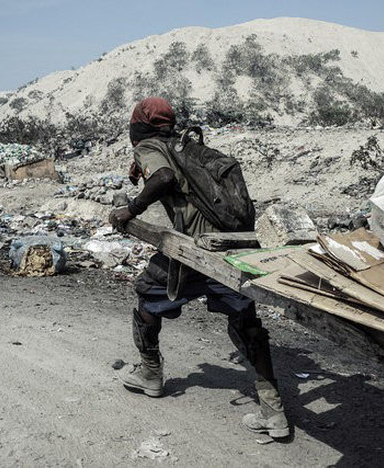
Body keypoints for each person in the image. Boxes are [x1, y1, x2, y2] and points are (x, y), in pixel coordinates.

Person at [109, 97, 290, 439]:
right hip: (233, 244)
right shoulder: (188, 145)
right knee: (246, 320)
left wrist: (130, 210)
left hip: (195, 249)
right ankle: (274, 412)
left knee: (147, 295)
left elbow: (161, 176)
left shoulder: (151, 146)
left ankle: (151, 375)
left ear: (139, 125)